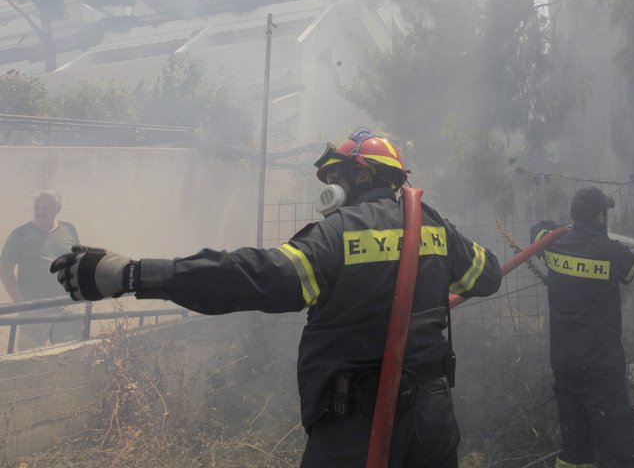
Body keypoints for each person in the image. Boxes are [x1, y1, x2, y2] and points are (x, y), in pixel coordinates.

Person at [51, 127, 502, 467]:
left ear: (362, 174)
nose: (332, 185)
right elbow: (486, 277)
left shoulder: (337, 233)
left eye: (338, 174)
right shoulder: (434, 225)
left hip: (358, 429)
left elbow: (254, 277)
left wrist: (132, 274)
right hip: (433, 422)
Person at [531, 187, 634, 468]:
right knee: (617, 449)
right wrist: (602, 239)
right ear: (601, 216)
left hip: (565, 365)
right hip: (602, 368)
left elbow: (538, 228)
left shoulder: (553, 245)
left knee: (575, 449)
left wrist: (564, 231)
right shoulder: (610, 252)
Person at [0, 190, 82, 350]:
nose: (40, 212)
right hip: (34, 310)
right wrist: (21, 303)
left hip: (65, 307)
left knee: (68, 356)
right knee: (28, 360)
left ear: (57, 209)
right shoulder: (20, 234)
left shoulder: (69, 229)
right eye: (38, 207)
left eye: (46, 208)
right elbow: (4, 269)